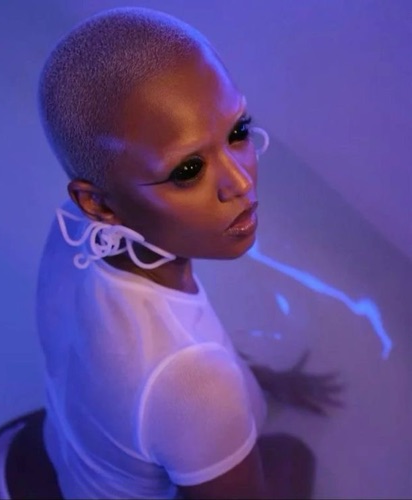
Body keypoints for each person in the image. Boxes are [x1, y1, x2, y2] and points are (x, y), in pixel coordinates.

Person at [36, 6, 342, 499]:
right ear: (99, 203)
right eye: (188, 170)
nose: (241, 182)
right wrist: (221, 398)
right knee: (293, 455)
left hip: (35, 455)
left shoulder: (71, 226)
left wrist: (253, 381)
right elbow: (181, 376)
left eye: (238, 131)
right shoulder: (198, 382)